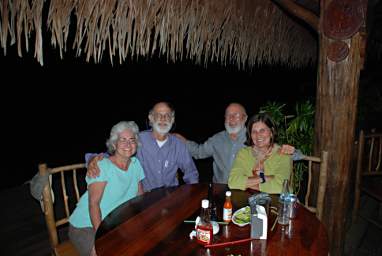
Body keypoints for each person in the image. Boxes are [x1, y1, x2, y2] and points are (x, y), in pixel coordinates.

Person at [69, 121, 145, 256]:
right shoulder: (103, 167)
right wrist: (101, 237)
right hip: (86, 225)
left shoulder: (135, 164)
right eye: (123, 140)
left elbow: (139, 197)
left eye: (132, 140)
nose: (128, 144)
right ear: (114, 144)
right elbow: (93, 204)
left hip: (114, 223)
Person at [86, 102, 199, 192]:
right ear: (151, 118)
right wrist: (92, 159)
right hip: (143, 199)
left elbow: (191, 173)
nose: (163, 119)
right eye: (158, 115)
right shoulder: (137, 140)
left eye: (167, 115)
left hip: (170, 197)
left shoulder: (178, 145)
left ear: (172, 119)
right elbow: (113, 154)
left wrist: (192, 194)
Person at [175, 103, 298, 184]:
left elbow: (278, 152)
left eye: (236, 115)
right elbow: (199, 152)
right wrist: (183, 141)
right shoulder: (217, 139)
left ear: (245, 118)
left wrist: (292, 151)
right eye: (228, 116)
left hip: (248, 189)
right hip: (220, 190)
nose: (231, 118)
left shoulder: (255, 137)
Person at [228, 113, 292, 193]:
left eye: (262, 130)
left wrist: (246, 183)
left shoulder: (282, 154)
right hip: (248, 201)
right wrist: (266, 178)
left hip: (276, 203)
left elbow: (281, 187)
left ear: (271, 132)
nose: (258, 135)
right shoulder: (244, 153)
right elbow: (233, 182)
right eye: (254, 131)